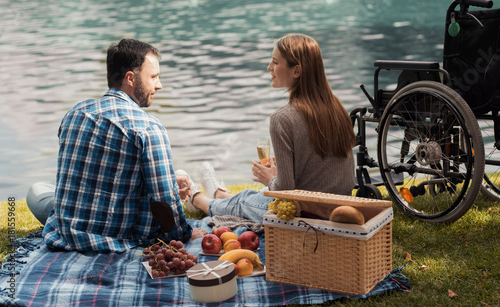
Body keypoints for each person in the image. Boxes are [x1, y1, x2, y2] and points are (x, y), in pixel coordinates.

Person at [28, 38, 207, 252]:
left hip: (68, 230)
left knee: (36, 190)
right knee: (169, 184)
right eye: (154, 77)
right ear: (130, 78)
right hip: (117, 235)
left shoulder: (75, 113)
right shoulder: (148, 127)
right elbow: (164, 201)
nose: (159, 85)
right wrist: (184, 234)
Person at [184, 33, 356, 222]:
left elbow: (285, 192)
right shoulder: (337, 107)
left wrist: (270, 178)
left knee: (245, 201)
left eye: (275, 62)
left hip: (303, 215)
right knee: (256, 195)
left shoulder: (282, 119)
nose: (269, 68)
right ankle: (218, 193)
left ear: (296, 71)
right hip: (340, 208)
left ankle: (198, 200)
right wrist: (281, 173)